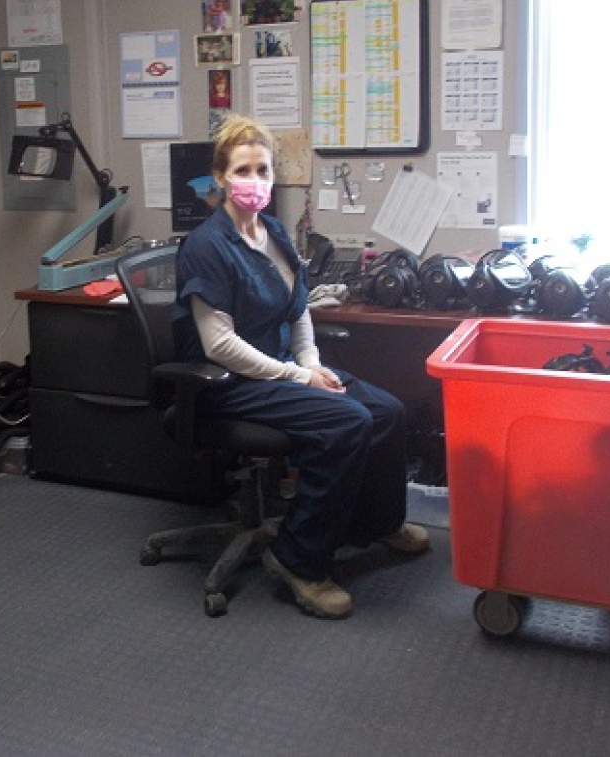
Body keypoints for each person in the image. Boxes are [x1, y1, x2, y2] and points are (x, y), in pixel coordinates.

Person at [173, 115, 428, 619]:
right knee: (347, 420)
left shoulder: (272, 232)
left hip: (286, 364)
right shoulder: (206, 246)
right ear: (222, 176)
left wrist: (311, 361)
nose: (255, 181)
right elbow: (219, 345)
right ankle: (297, 559)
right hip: (232, 383)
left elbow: (299, 309)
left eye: (263, 169)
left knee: (388, 411)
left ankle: (375, 523)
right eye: (243, 169)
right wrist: (297, 375)